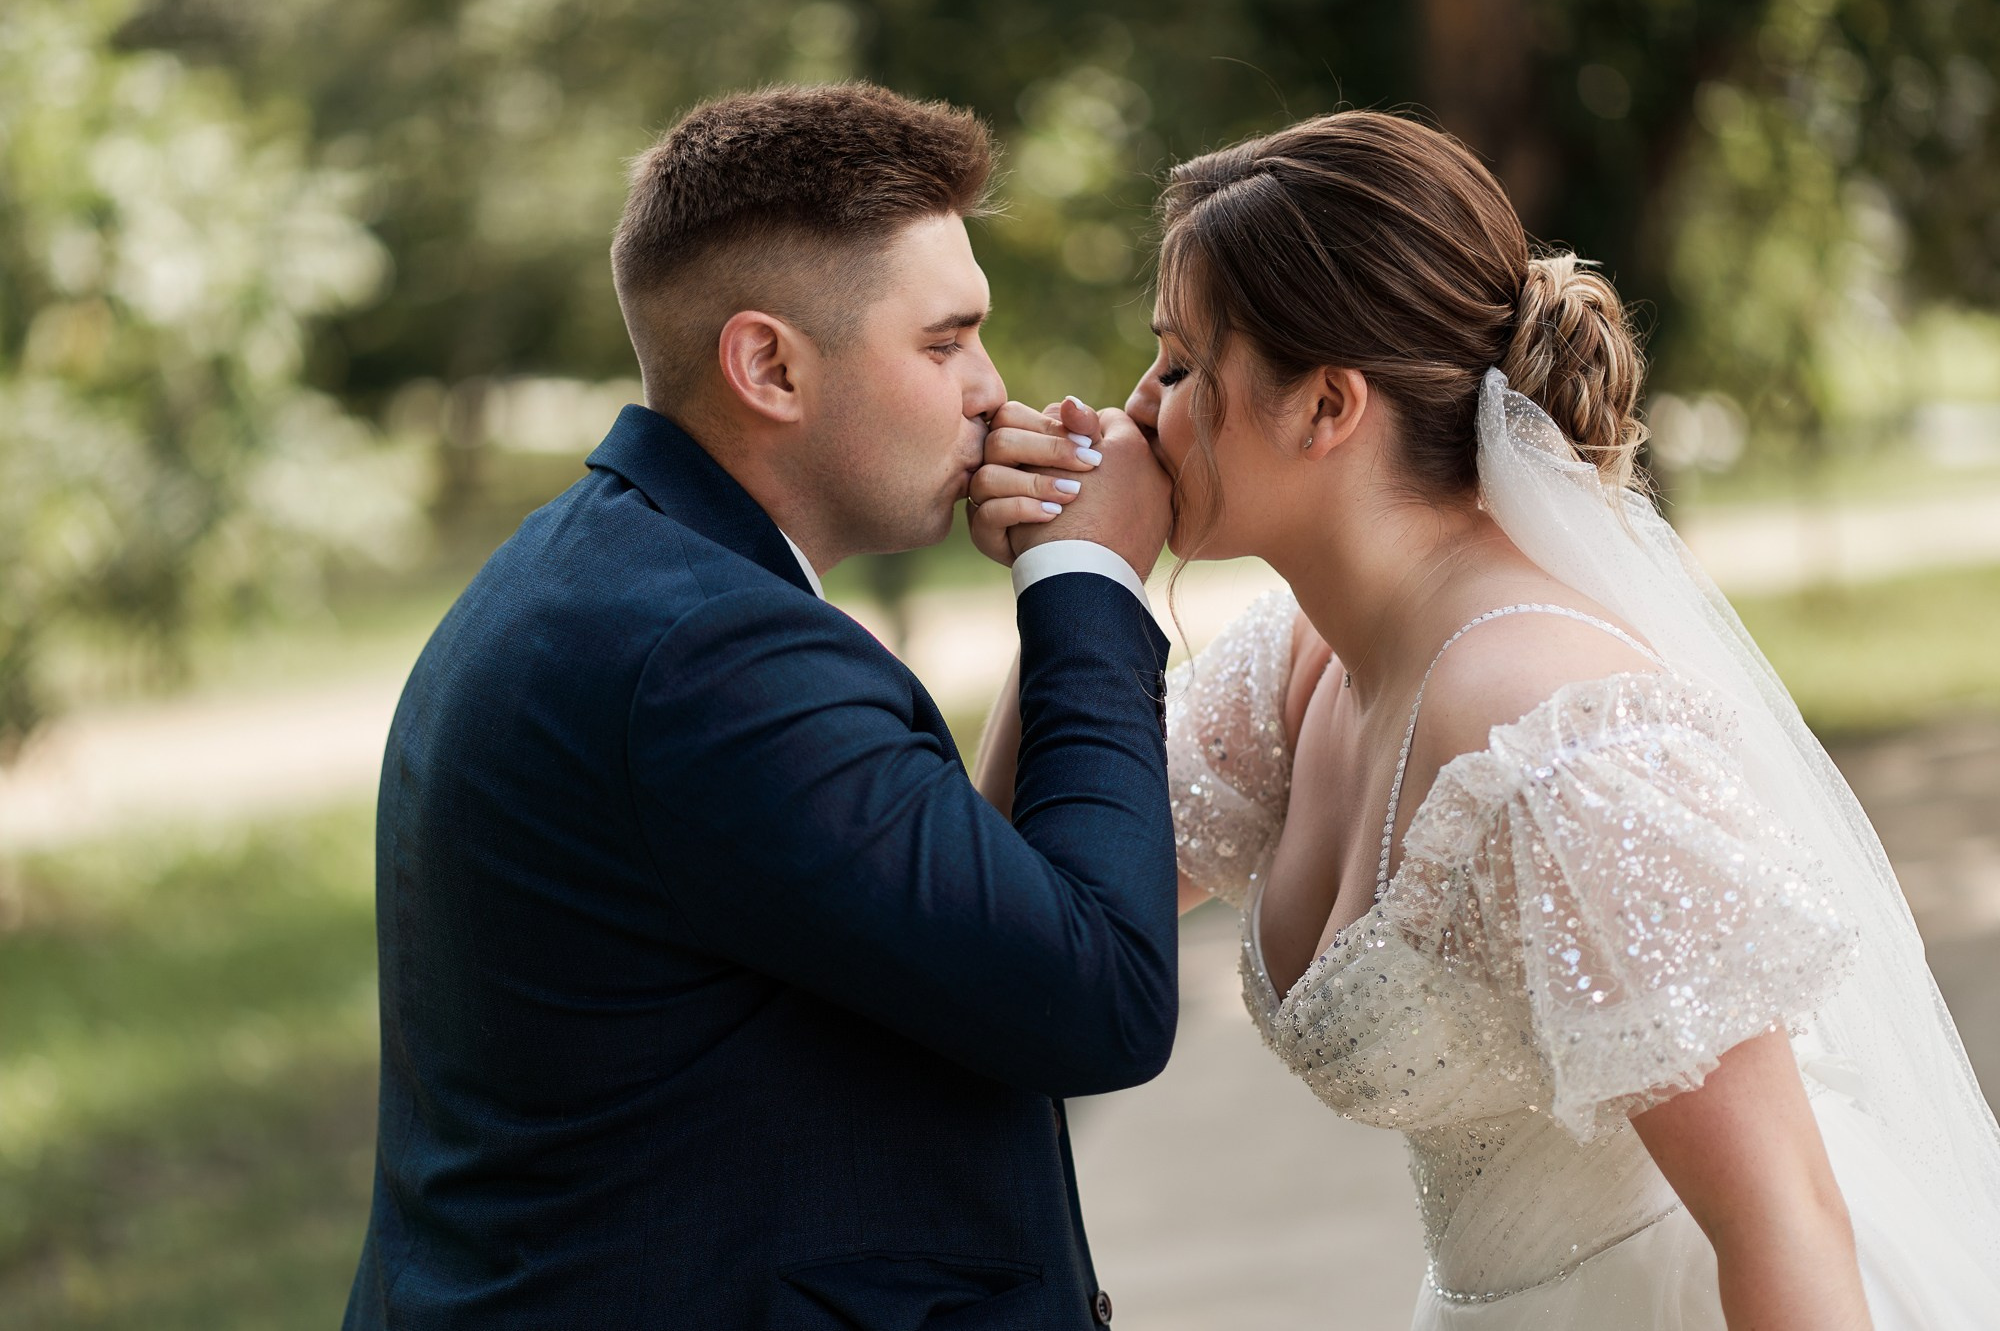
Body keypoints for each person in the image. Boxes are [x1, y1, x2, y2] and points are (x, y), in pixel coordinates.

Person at [975, 110, 2000, 1328]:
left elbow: (1782, 1215)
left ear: (1325, 406)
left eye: (1183, 367)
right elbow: (1024, 938)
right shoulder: (1298, 667)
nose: (1139, 410)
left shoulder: (1557, 746)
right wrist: (1070, 584)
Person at [343, 83, 1180, 1330]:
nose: (989, 388)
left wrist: (1061, 587)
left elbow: (969, 927)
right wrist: (1089, 586)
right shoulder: (706, 656)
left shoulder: (617, 578)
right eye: (944, 342)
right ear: (768, 366)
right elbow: (1098, 998)